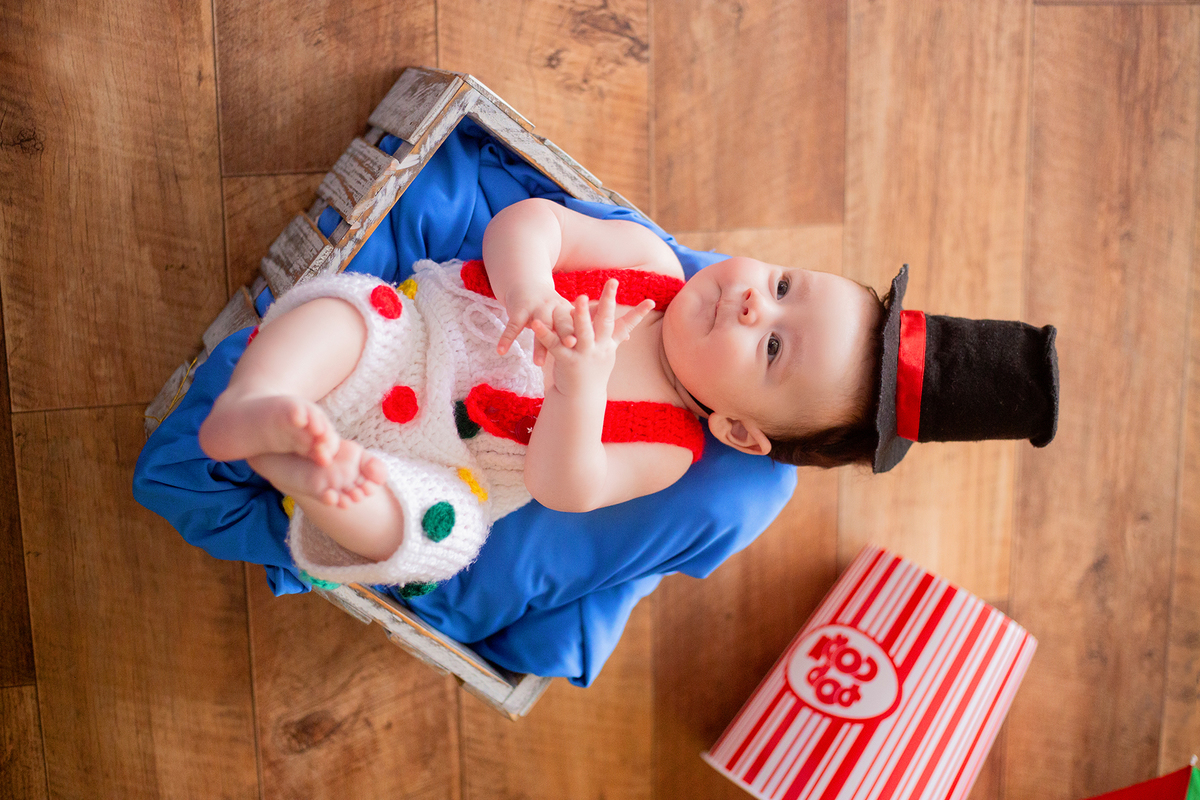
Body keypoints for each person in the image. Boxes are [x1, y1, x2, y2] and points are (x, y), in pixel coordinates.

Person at [198, 197, 1058, 590]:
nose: (758, 299)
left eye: (770, 347)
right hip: (414, 345)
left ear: (739, 429)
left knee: (441, 536)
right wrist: (529, 285)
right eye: (787, 285)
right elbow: (526, 221)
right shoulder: (643, 270)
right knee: (352, 314)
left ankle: (319, 480)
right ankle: (260, 398)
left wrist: (581, 388)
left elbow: (561, 488)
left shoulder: (666, 449)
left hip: (443, 465)